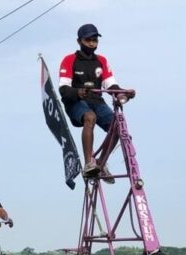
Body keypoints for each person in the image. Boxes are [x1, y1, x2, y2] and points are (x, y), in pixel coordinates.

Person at [58, 24, 135, 180]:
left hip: (96, 100)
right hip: (76, 102)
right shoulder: (69, 60)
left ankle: (100, 164)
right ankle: (89, 164)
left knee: (119, 127)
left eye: (94, 40)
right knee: (90, 117)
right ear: (79, 41)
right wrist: (78, 92)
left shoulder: (101, 60)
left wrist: (123, 93)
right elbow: (63, 89)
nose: (92, 43)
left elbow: (111, 85)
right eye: (88, 40)